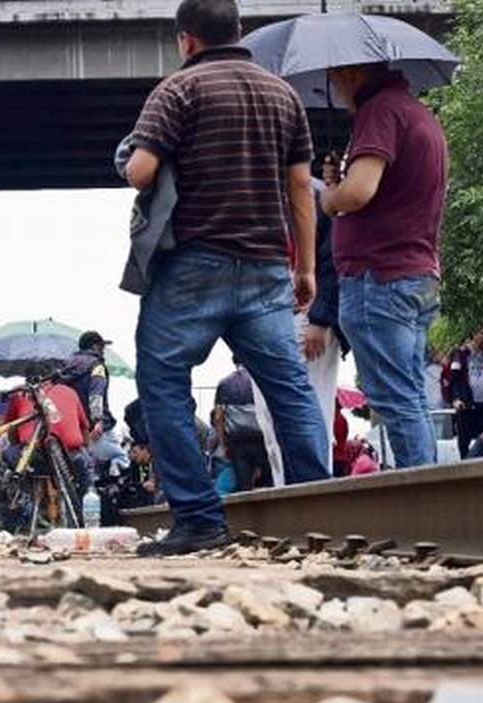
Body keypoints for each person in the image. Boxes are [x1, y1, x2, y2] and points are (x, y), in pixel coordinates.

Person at [125, 0, 329, 555]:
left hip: (193, 264)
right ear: (239, 32)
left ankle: (197, 518)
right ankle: (319, 509)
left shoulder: (177, 90)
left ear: (186, 40)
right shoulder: (281, 94)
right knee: (288, 388)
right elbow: (301, 193)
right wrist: (304, 267)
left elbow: (140, 170)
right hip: (266, 266)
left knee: (162, 383)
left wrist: (129, 160)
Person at [320, 58, 449, 469]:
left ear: (353, 72)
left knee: (394, 397)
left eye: (334, 75)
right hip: (414, 273)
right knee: (409, 394)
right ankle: (430, 488)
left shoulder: (380, 111)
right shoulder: (415, 112)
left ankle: (424, 499)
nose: (333, 85)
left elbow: (358, 192)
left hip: (379, 276)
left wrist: (329, 196)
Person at [253, 178, 344, 486]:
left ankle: (315, 494)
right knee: (269, 418)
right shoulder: (254, 190)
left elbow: (333, 259)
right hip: (266, 321)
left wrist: (321, 318)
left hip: (305, 318)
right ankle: (287, 493)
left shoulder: (313, 194)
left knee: (313, 408)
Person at [60, 330, 126, 476]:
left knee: (83, 472)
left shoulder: (65, 368)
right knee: (121, 458)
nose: (104, 352)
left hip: (71, 429)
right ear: (95, 347)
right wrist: (98, 421)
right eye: (102, 348)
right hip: (94, 429)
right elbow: (96, 395)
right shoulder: (97, 366)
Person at [214, 359, 271, 492]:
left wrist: (223, 444)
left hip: (237, 441)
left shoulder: (224, 383)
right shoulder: (261, 380)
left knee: (243, 485)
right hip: (262, 438)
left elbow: (218, 417)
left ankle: (249, 511)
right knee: (269, 480)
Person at [444, 325, 483, 459]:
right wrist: (455, 399)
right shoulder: (460, 353)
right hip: (466, 404)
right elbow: (452, 378)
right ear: (474, 334)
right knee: (464, 439)